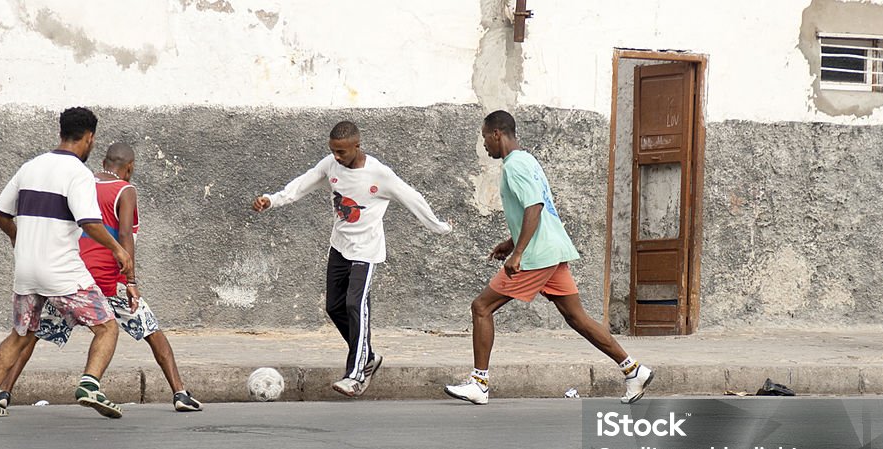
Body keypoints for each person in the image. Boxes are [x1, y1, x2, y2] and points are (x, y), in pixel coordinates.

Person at [444, 110, 654, 405]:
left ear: (496, 134)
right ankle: (633, 370)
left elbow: (534, 206)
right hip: (552, 249)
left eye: (484, 138)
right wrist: (511, 241)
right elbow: (534, 209)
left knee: (481, 307)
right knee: (576, 317)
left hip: (537, 254)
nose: (484, 145)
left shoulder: (514, 166)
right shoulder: (528, 160)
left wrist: (518, 253)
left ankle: (479, 383)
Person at [0, 143, 204, 413]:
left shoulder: (82, 180)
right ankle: (179, 393)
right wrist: (131, 281)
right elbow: (125, 235)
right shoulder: (125, 190)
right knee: (152, 331)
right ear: (129, 168)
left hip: (69, 276)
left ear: (104, 161)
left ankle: (3, 392)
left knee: (31, 334)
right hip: (107, 282)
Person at [252, 121, 452, 397]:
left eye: (342, 152)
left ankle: (357, 375)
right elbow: (302, 184)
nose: (337, 157)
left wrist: (439, 226)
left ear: (357, 147)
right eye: (333, 151)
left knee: (355, 304)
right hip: (340, 246)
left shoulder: (379, 174)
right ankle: (368, 356)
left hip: (366, 251)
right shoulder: (330, 165)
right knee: (335, 308)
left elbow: (412, 198)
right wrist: (272, 200)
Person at [0, 107, 135, 419]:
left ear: (61, 132)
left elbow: (0, 212)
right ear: (89, 138)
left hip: (26, 269)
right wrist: (117, 249)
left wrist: (16, 238)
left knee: (20, 334)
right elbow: (89, 222)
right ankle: (90, 384)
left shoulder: (30, 167)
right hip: (61, 271)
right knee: (107, 327)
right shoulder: (79, 174)